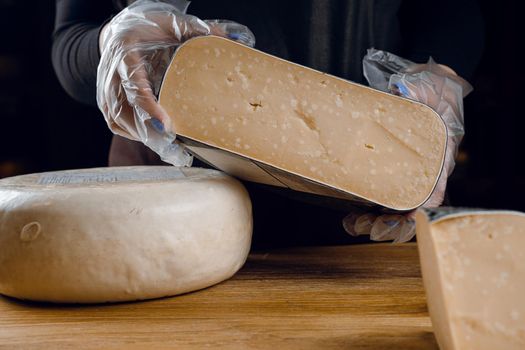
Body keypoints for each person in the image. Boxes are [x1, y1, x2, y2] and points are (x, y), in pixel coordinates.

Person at [52, 0, 484, 248]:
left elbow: (453, 12)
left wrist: (440, 79)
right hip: (165, 215)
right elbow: (70, 40)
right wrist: (110, 44)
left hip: (364, 206)